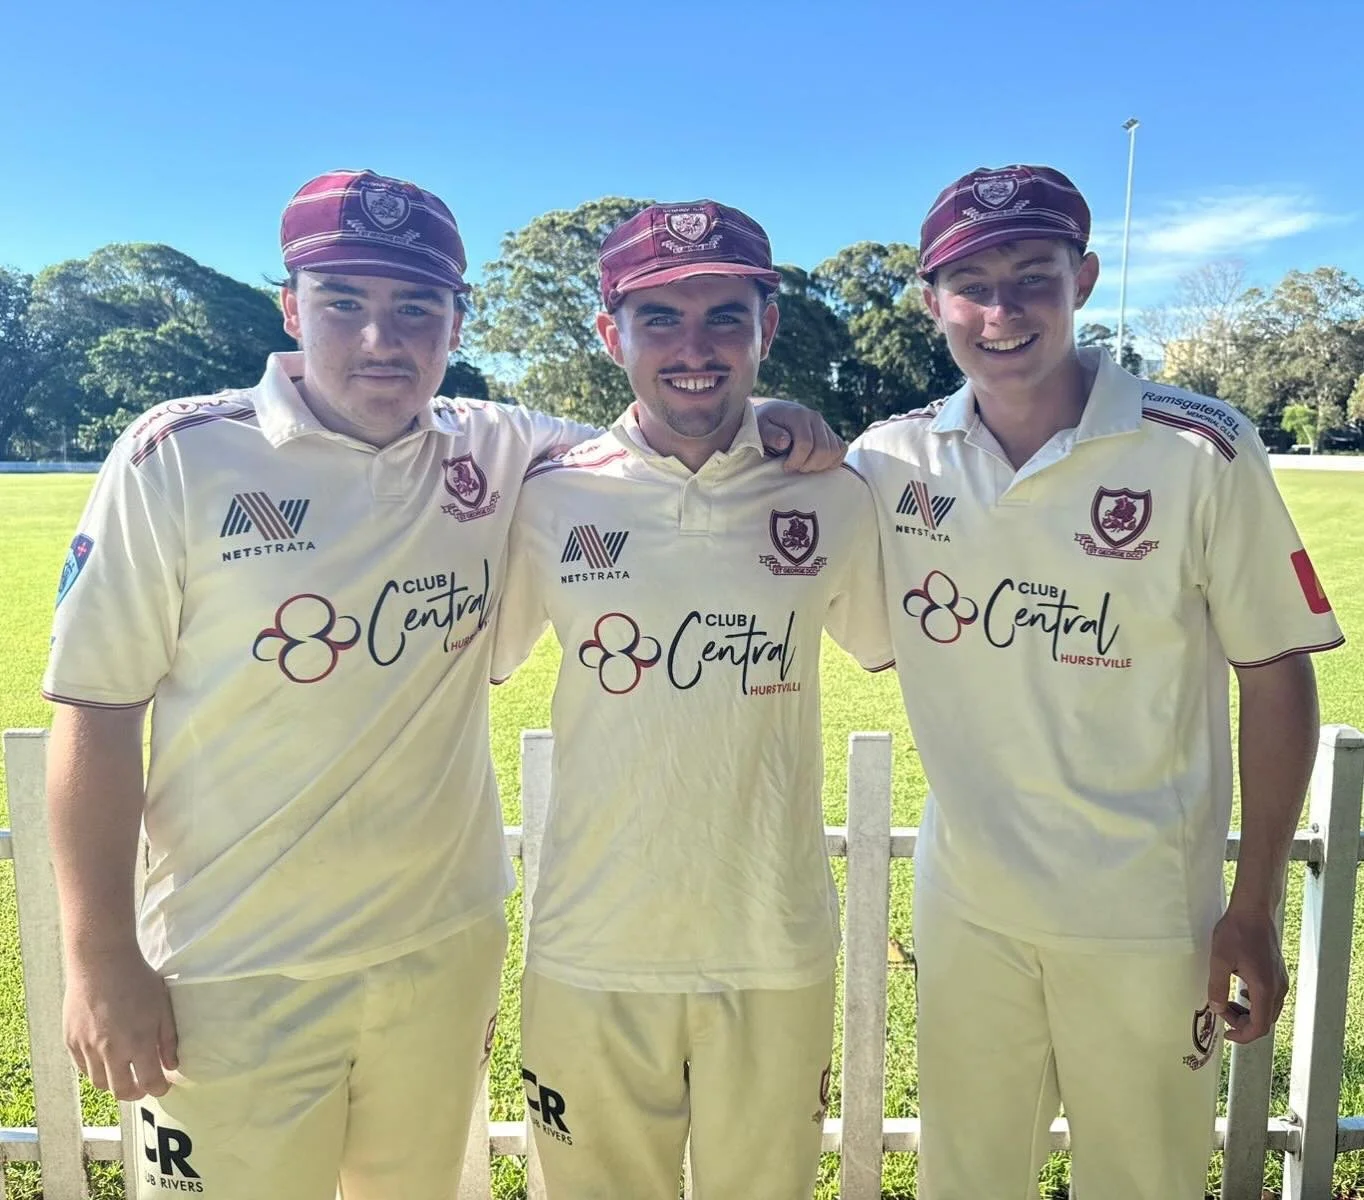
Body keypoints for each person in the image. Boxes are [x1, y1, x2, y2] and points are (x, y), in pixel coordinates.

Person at [41, 169, 839, 1200]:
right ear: (291, 308)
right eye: (345, 303)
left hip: (438, 950)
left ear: (456, 321)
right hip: (230, 963)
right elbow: (96, 711)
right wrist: (100, 958)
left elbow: (665, 425)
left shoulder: (496, 451)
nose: (382, 339)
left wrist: (764, 407)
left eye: (415, 307)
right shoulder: (180, 457)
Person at [846, 163, 1346, 1199]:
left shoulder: (1198, 447)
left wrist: (1249, 903)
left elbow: (1274, 670)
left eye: (1030, 275)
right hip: (968, 906)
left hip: (1146, 918)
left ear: (1083, 276)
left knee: (1144, 1180)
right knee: (966, 1179)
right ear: (930, 299)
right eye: (969, 284)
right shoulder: (888, 463)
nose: (999, 311)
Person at [491, 200, 894, 1198]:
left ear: (766, 329)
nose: (693, 348)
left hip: (771, 944)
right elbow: (464, 658)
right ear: (609, 334)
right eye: (659, 319)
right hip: (594, 945)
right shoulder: (549, 495)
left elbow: (906, 647)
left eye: (724, 315)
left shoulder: (832, 492)